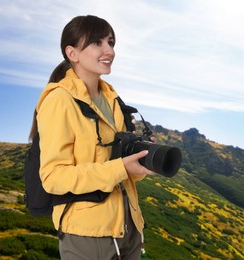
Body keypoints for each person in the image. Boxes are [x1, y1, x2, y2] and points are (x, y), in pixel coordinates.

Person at [28, 15, 154, 259]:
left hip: (128, 227)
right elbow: (53, 178)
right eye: (97, 43)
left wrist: (138, 166)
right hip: (87, 235)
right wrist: (119, 168)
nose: (109, 50)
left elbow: (116, 169)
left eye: (111, 42)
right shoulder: (59, 100)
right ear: (72, 53)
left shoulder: (113, 100)